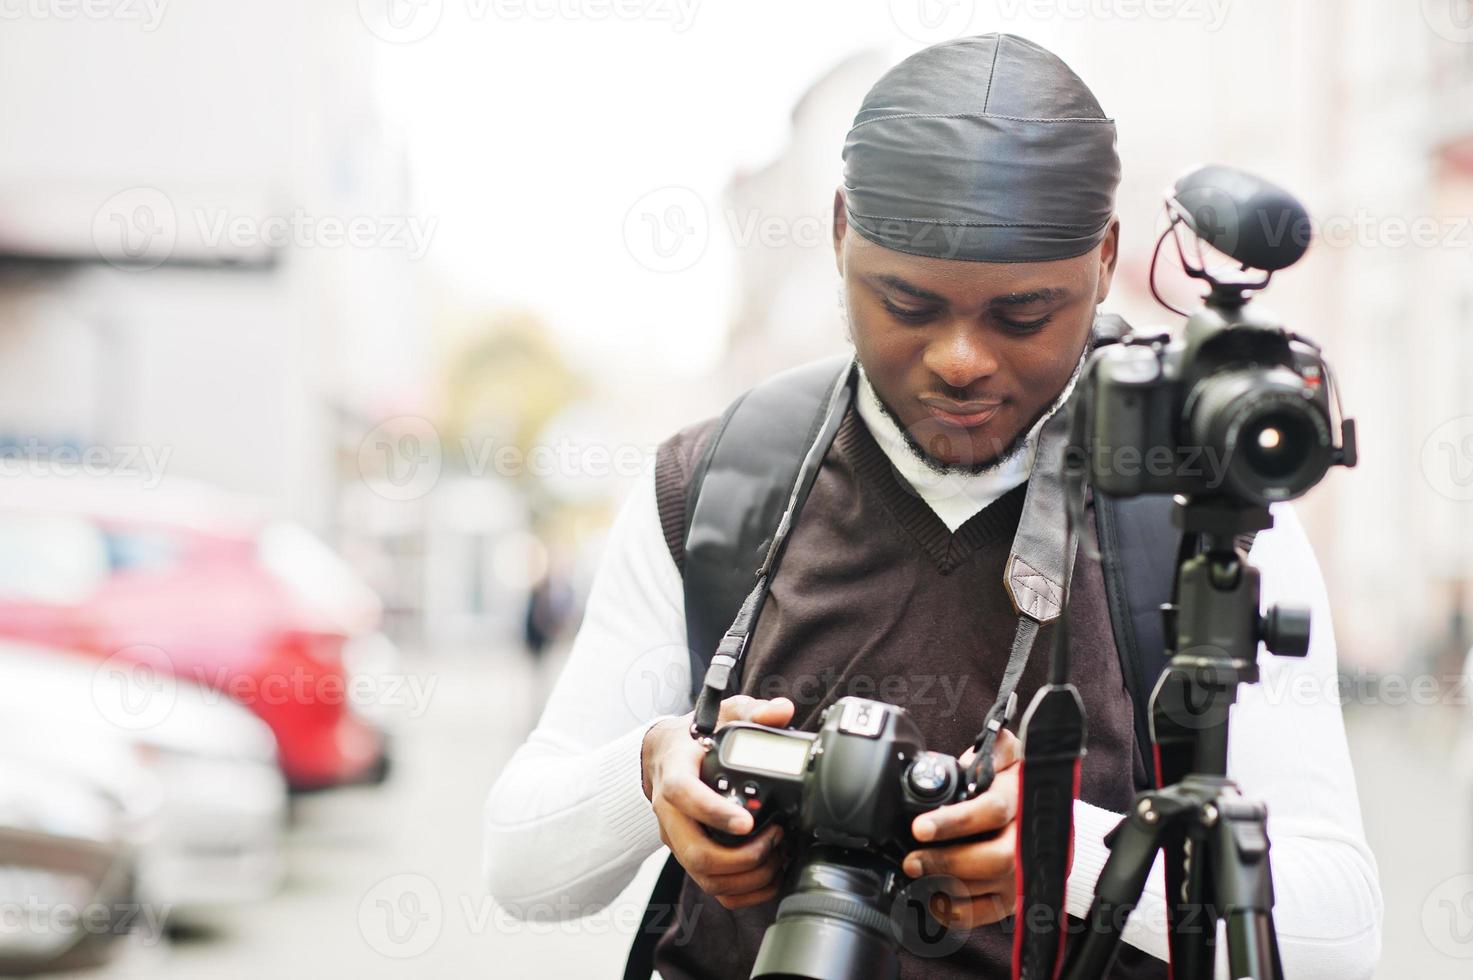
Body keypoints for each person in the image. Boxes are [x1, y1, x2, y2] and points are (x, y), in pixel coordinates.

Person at [484, 34, 1383, 979]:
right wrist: (654, 772)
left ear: (1105, 258)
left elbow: (1341, 933)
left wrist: (1063, 853)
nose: (960, 358)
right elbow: (520, 867)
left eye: (1022, 316)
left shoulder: (1205, 507)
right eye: (906, 304)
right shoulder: (714, 484)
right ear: (839, 234)